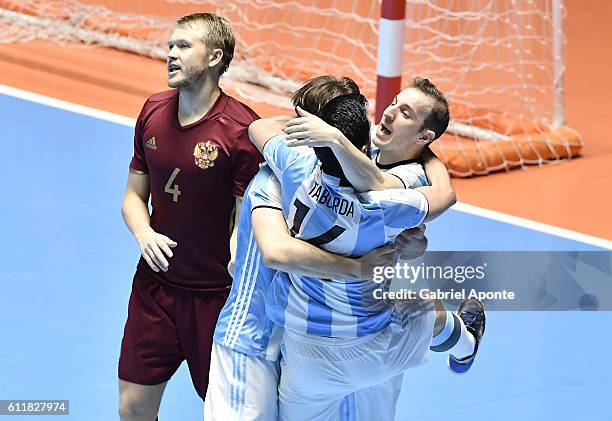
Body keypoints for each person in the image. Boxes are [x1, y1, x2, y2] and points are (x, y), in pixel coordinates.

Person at [205, 76, 441, 421]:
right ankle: (458, 337)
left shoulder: (366, 186)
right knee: (425, 313)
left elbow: (404, 233)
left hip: (315, 341)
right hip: (252, 337)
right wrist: (359, 268)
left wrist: (411, 243)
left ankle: (458, 336)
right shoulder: (274, 179)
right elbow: (274, 253)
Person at [249, 87, 485, 420]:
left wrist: (319, 130)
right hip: (370, 341)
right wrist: (429, 157)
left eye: (404, 112)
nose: (388, 112)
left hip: (304, 351)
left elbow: (257, 127)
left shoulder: (298, 165)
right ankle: (465, 345)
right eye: (393, 104)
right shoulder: (392, 203)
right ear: (359, 148)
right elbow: (442, 196)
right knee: (425, 308)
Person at [117, 13, 262, 421]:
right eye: (170, 46)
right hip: (154, 290)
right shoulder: (153, 110)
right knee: (132, 409)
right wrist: (144, 232)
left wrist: (238, 256)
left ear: (215, 56)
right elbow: (132, 195)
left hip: (216, 299)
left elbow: (244, 223)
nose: (171, 54)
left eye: (183, 46)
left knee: (225, 414)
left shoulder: (239, 132)